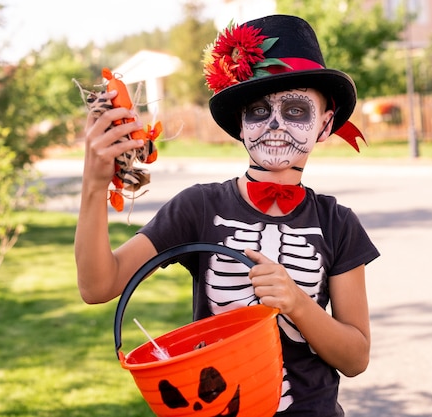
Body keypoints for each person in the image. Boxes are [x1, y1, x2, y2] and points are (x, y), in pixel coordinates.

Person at [75, 14, 380, 416]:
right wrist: (95, 187)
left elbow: (355, 358)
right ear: (240, 123)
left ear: (324, 126)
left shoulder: (338, 222)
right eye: (257, 110)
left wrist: (298, 304)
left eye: (295, 110)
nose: (274, 125)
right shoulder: (199, 207)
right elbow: (99, 285)